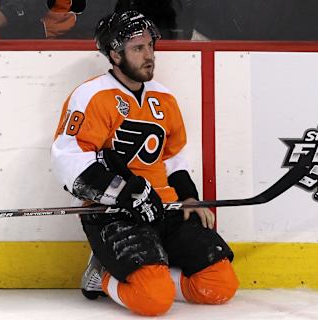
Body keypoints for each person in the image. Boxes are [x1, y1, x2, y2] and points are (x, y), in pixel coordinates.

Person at [50, 10, 239, 316]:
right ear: (115, 54)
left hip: (166, 207)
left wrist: (188, 196)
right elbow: (68, 158)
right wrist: (124, 192)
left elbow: (174, 154)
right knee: (153, 300)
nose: (149, 55)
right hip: (114, 212)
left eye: (150, 46)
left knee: (219, 285)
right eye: (138, 48)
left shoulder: (164, 99)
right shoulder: (91, 96)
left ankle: (153, 274)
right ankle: (102, 276)